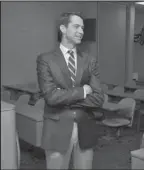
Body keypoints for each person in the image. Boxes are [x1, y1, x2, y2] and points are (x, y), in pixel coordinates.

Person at [36, 12, 104, 169]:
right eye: (76, 26)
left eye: (83, 27)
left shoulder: (90, 60)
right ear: (63, 28)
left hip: (85, 129)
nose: (81, 31)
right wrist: (83, 92)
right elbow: (51, 97)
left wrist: (64, 97)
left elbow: (99, 98)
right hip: (56, 130)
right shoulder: (45, 60)